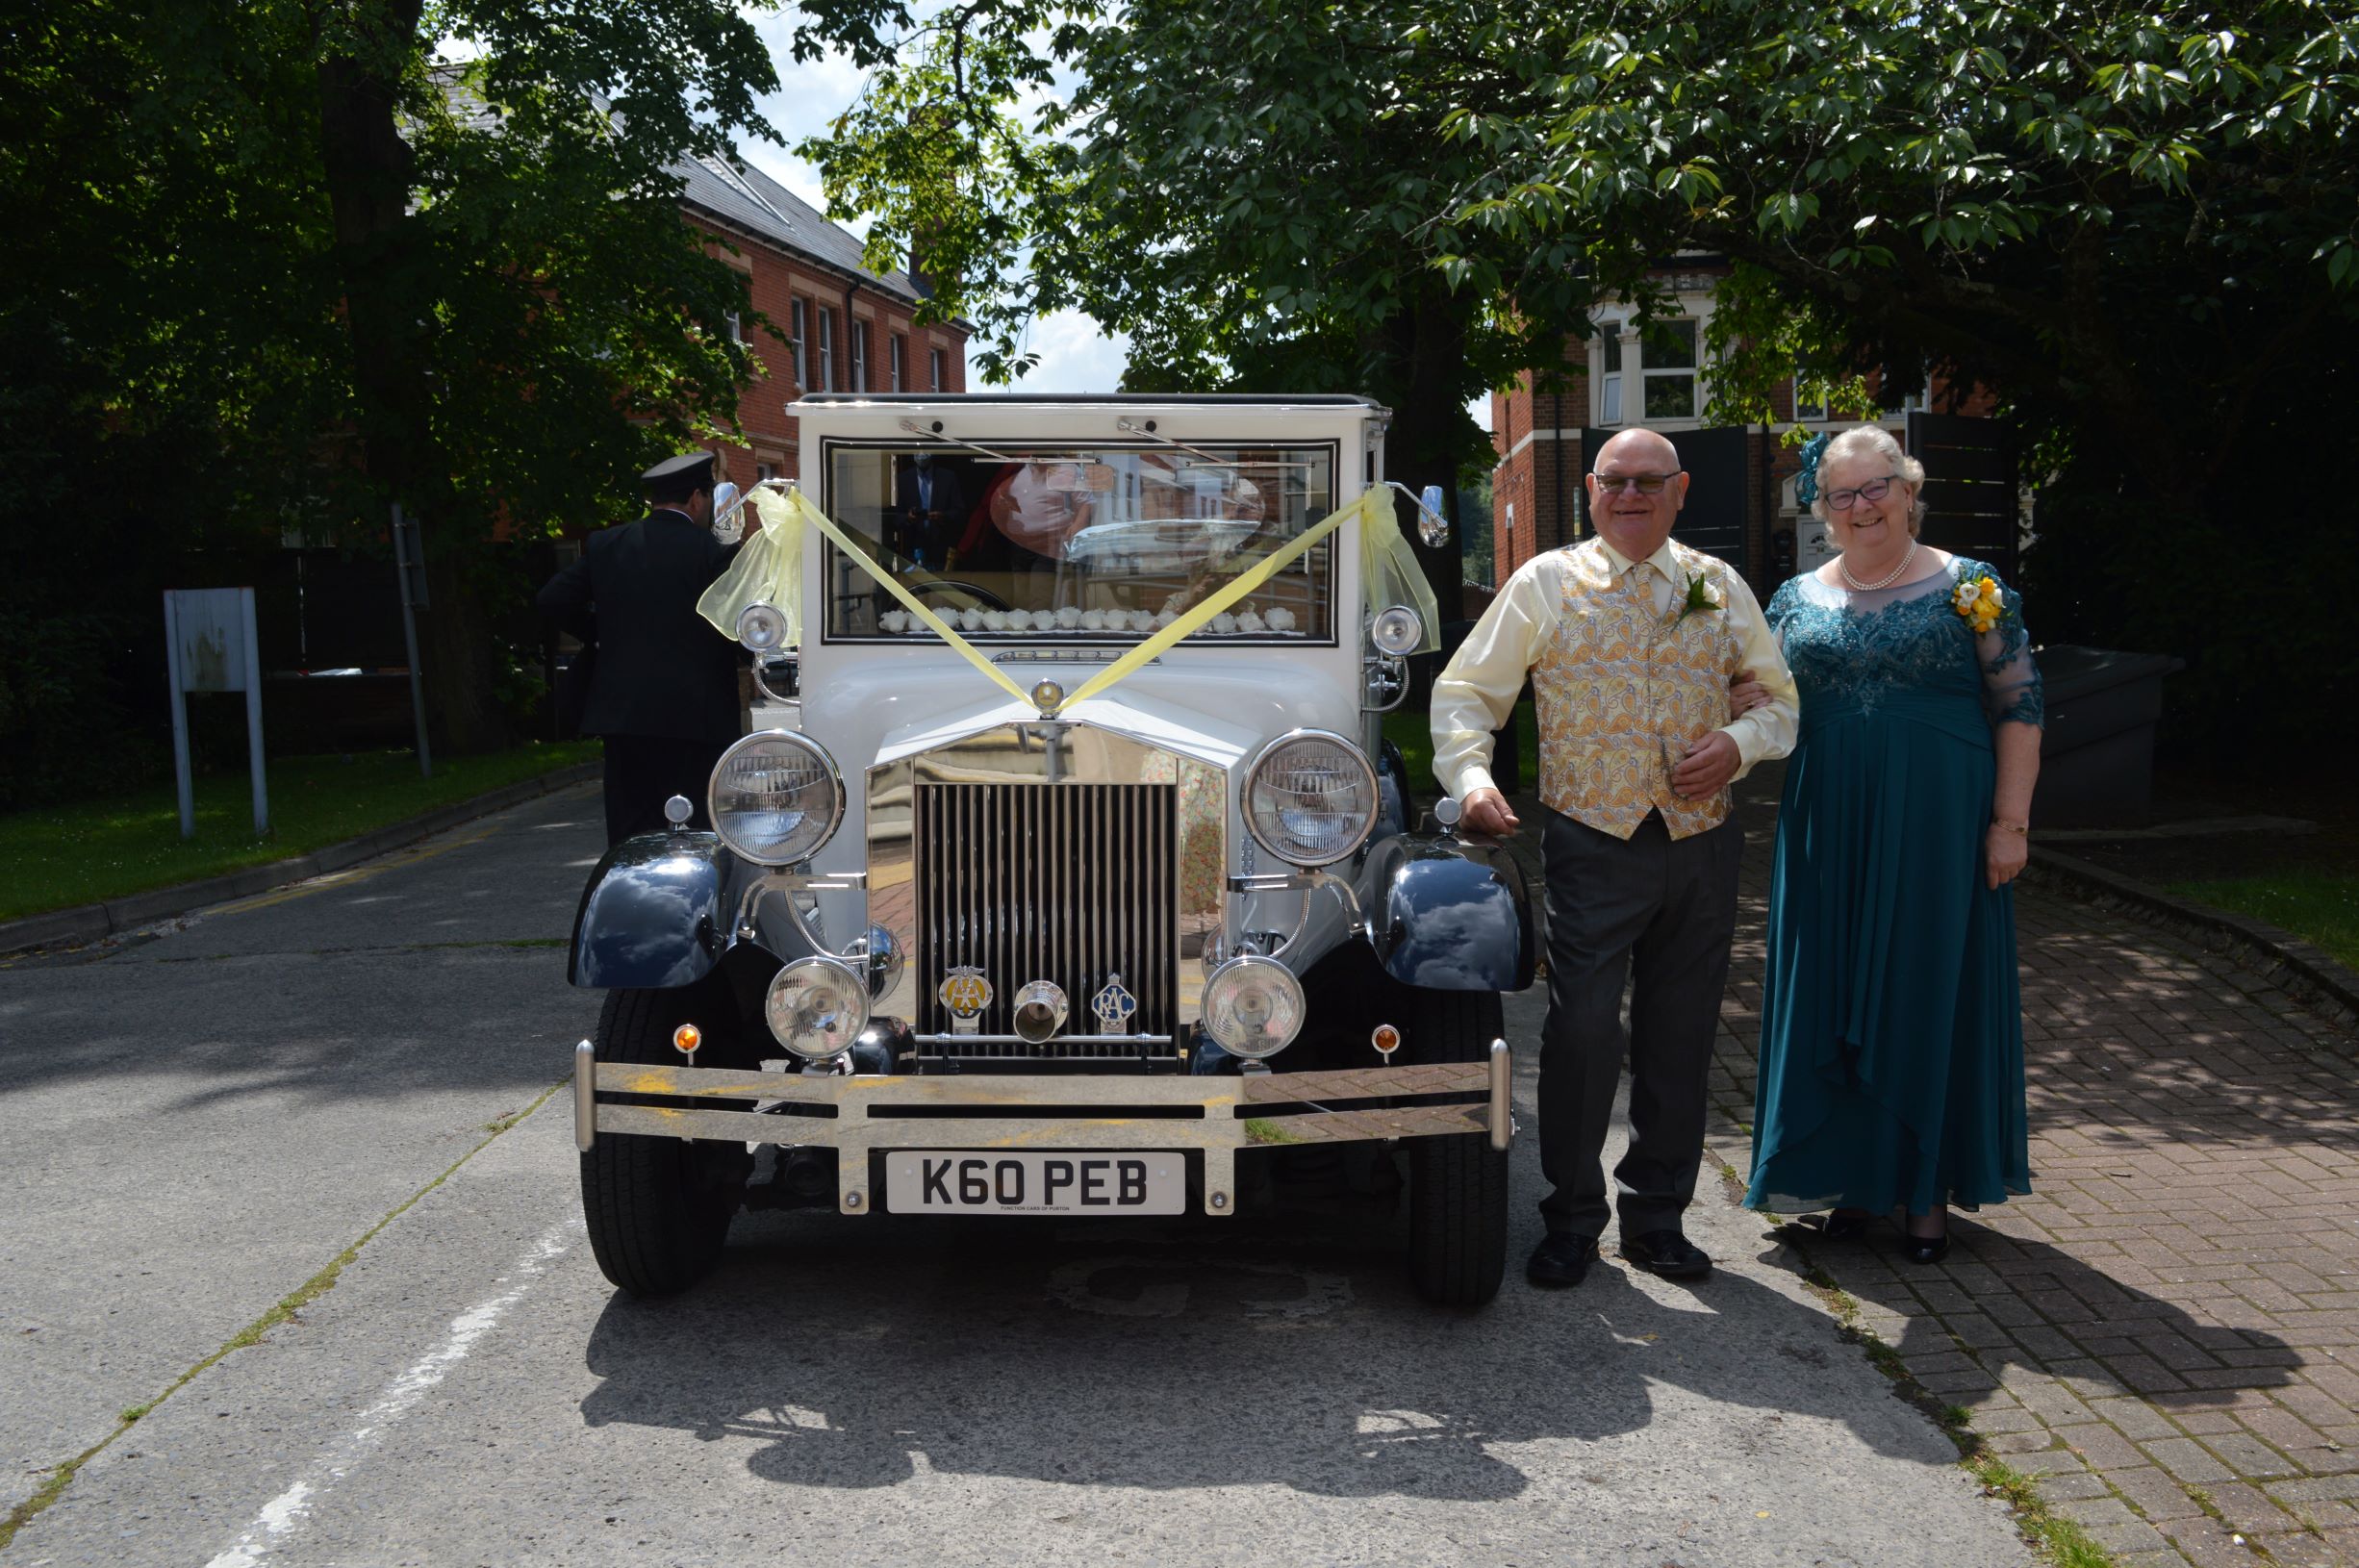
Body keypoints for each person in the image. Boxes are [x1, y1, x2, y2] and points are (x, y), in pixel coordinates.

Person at [1433, 428, 1799, 1288]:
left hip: (1701, 844)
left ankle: (1658, 1220)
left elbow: (1780, 703)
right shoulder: (1545, 582)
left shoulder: (1719, 585)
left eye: (1647, 481)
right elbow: (1464, 693)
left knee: (1681, 1036)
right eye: (1613, 481)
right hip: (1592, 841)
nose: (1628, 494)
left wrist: (1741, 744)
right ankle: (1570, 1217)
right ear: (1590, 492)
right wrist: (1472, 777)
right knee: (1584, 1031)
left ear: (1679, 492)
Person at [1744, 425, 2042, 1263]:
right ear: (1823, 508)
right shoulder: (1795, 599)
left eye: (1878, 487)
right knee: (1831, 990)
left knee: (1922, 984)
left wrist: (2009, 825)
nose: (1863, 505)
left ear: (1911, 490)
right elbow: (1759, 695)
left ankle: (1922, 1196)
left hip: (1938, 828)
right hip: (1827, 827)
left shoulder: (1968, 587)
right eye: (1843, 493)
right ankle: (1851, 1180)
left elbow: (2020, 708)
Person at [537, 451, 746, 847]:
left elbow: (551, 599)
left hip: (626, 716)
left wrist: (601, 632)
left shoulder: (607, 544)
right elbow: (736, 627)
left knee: (631, 834)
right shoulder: (713, 552)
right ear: (697, 500)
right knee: (698, 831)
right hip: (697, 719)